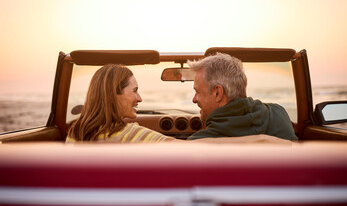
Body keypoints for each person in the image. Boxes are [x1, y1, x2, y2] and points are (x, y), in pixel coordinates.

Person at [66, 64, 291, 144]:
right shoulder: (130, 135)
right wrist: (262, 139)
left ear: (218, 93)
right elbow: (185, 150)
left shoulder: (75, 132)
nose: (140, 98)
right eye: (135, 91)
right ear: (111, 96)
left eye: (196, 92)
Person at [186, 53, 298, 141]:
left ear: (218, 93)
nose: (194, 99)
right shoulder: (279, 114)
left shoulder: (202, 142)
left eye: (197, 92)